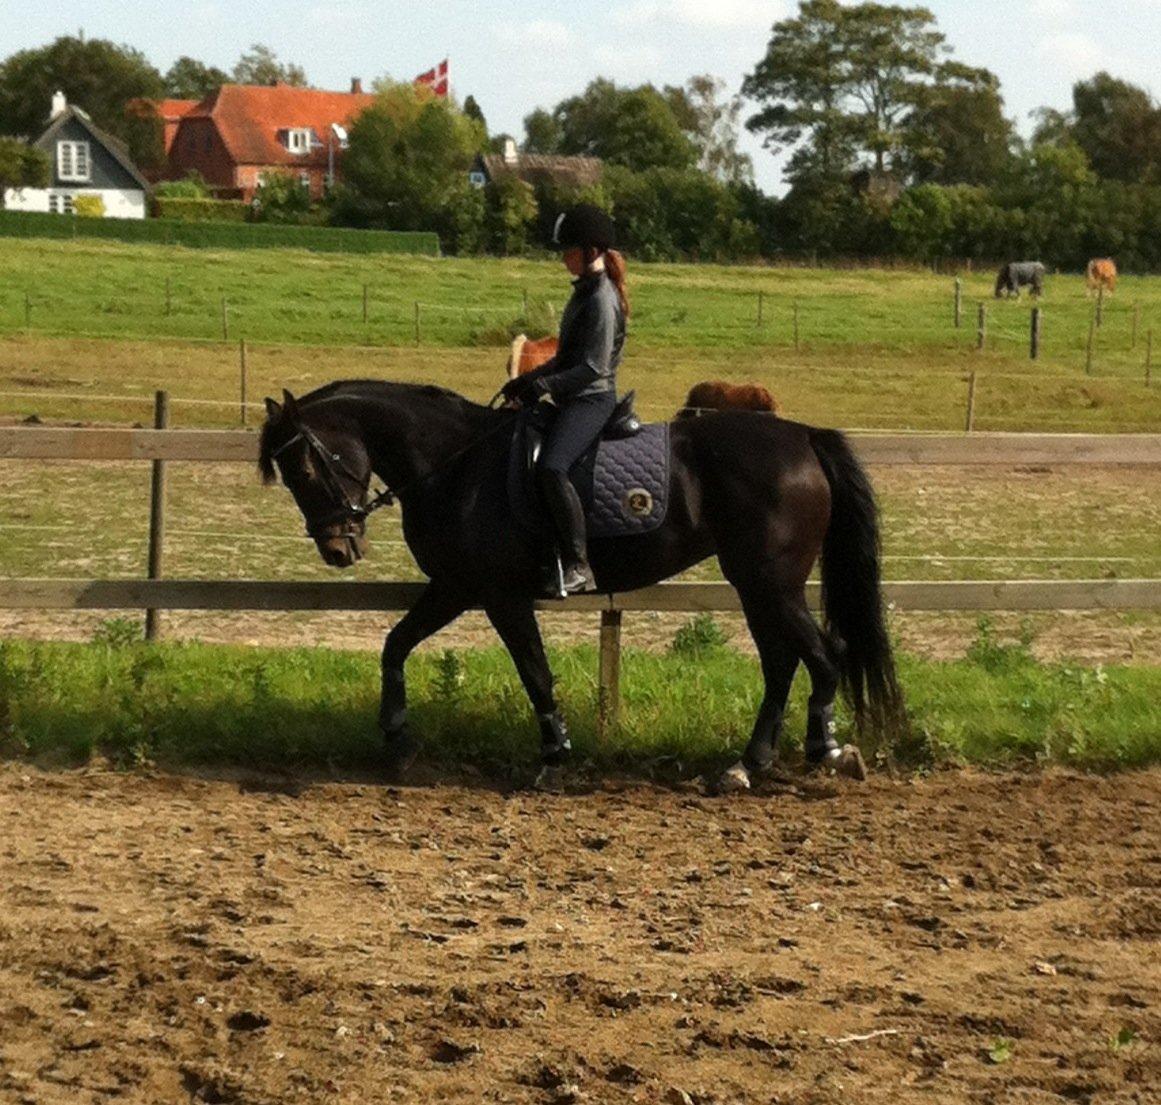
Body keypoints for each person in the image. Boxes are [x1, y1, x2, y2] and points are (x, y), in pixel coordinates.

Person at [500, 204, 629, 595]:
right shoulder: (583, 293)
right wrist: (527, 380)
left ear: (591, 251)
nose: (563, 258)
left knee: (553, 468)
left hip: (592, 400)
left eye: (569, 250)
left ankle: (578, 564)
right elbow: (566, 357)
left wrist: (543, 386)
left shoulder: (601, 299)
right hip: (572, 396)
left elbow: (592, 367)